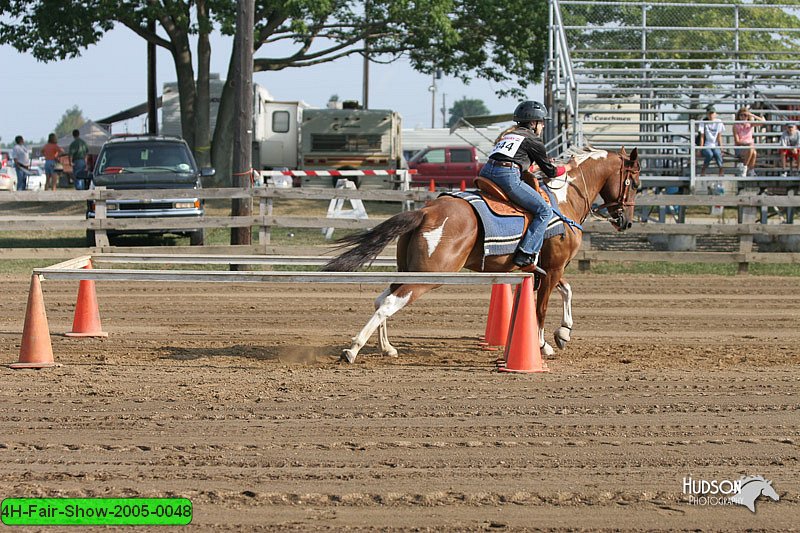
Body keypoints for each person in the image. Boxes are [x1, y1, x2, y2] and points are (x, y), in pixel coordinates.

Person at [478, 100, 574, 272]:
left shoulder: (509, 135)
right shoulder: (533, 140)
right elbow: (551, 172)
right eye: (542, 122)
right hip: (506, 176)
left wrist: (535, 166)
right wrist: (567, 167)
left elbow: (516, 160)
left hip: (486, 172)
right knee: (545, 211)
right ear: (533, 122)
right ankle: (526, 253)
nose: (543, 126)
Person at [732, 107, 764, 177]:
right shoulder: (736, 125)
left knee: (753, 152)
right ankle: (748, 169)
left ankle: (747, 168)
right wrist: (747, 144)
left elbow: (762, 122)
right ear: (739, 116)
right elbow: (737, 141)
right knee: (752, 149)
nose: (743, 117)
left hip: (749, 147)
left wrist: (752, 115)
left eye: (745, 115)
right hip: (740, 147)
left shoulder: (749, 123)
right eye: (741, 115)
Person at [699, 105, 725, 177]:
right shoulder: (703, 122)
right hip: (707, 144)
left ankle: (721, 168)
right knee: (709, 154)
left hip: (715, 144)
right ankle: (704, 169)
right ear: (707, 114)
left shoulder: (719, 122)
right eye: (709, 113)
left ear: (715, 114)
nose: (711, 115)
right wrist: (700, 149)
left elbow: (719, 136)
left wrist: (721, 148)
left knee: (717, 153)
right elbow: (702, 137)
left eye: (712, 113)